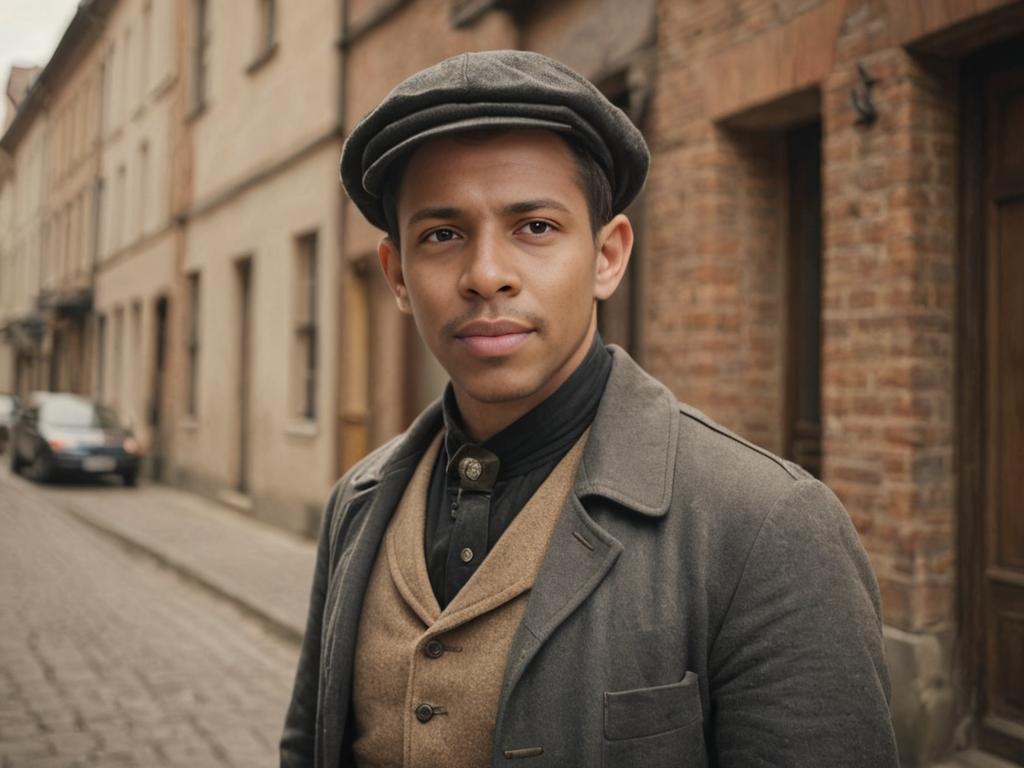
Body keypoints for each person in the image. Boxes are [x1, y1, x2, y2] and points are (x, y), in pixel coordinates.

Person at [281, 50, 899, 768]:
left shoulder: (768, 527)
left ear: (608, 256)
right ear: (397, 275)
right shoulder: (355, 505)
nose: (486, 275)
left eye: (535, 227)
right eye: (442, 235)